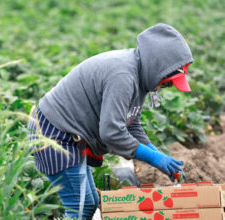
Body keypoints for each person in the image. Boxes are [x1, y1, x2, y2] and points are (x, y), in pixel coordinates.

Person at [27, 23, 192, 219]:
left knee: (89, 202)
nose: (166, 87)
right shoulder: (123, 76)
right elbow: (112, 132)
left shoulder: (139, 76)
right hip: (55, 133)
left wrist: (155, 152)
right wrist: (155, 158)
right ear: (158, 68)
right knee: (80, 206)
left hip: (72, 136)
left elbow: (132, 122)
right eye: (167, 82)